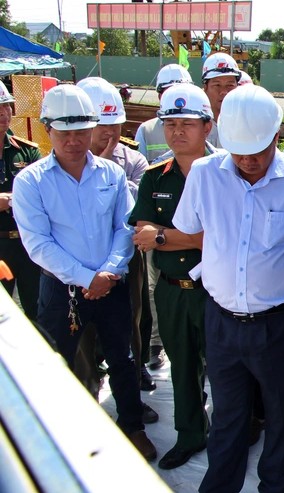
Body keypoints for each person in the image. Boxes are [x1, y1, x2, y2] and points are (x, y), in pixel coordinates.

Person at [172, 85, 284, 493]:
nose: (248, 160)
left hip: (279, 324)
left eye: (257, 150)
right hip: (221, 322)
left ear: (277, 136)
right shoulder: (204, 175)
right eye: (239, 152)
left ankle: (276, 487)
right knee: (227, 416)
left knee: (280, 415)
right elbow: (189, 228)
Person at [12, 84, 156, 460]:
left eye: (80, 132)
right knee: (59, 362)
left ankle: (133, 426)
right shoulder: (31, 181)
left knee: (123, 358)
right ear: (48, 130)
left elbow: (124, 227)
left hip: (111, 285)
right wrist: (86, 278)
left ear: (92, 129)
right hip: (62, 291)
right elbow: (38, 244)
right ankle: (62, 433)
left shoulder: (111, 174)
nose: (74, 141)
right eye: (64, 133)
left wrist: (108, 273)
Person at [129, 83, 215, 470]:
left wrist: (164, 236)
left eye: (187, 124)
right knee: (182, 367)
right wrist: (193, 238)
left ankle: (232, 431)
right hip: (171, 291)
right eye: (170, 124)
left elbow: (223, 237)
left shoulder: (226, 172)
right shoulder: (154, 177)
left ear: (207, 127)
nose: (177, 131)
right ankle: (191, 434)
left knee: (226, 368)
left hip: (215, 290)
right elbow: (143, 234)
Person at [76, 76, 157, 402]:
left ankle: (132, 384)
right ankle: (87, 388)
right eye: (102, 125)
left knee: (130, 320)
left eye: (115, 124)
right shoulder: (67, 160)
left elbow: (138, 207)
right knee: (82, 330)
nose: (110, 132)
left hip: (124, 254)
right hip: (81, 258)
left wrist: (108, 169)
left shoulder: (133, 160)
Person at [0, 82, 42, 320]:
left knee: (38, 312)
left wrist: (10, 200)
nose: (3, 113)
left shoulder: (27, 151)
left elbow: (41, 192)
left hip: (28, 245)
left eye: (6, 106)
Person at [135, 64, 193, 162]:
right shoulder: (146, 131)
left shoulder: (206, 127)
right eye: (170, 94)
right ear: (160, 97)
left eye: (181, 93)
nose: (176, 98)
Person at [200, 52, 242, 148]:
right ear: (205, 88)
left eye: (230, 85)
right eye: (217, 85)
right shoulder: (196, 126)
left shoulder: (245, 125)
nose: (223, 92)